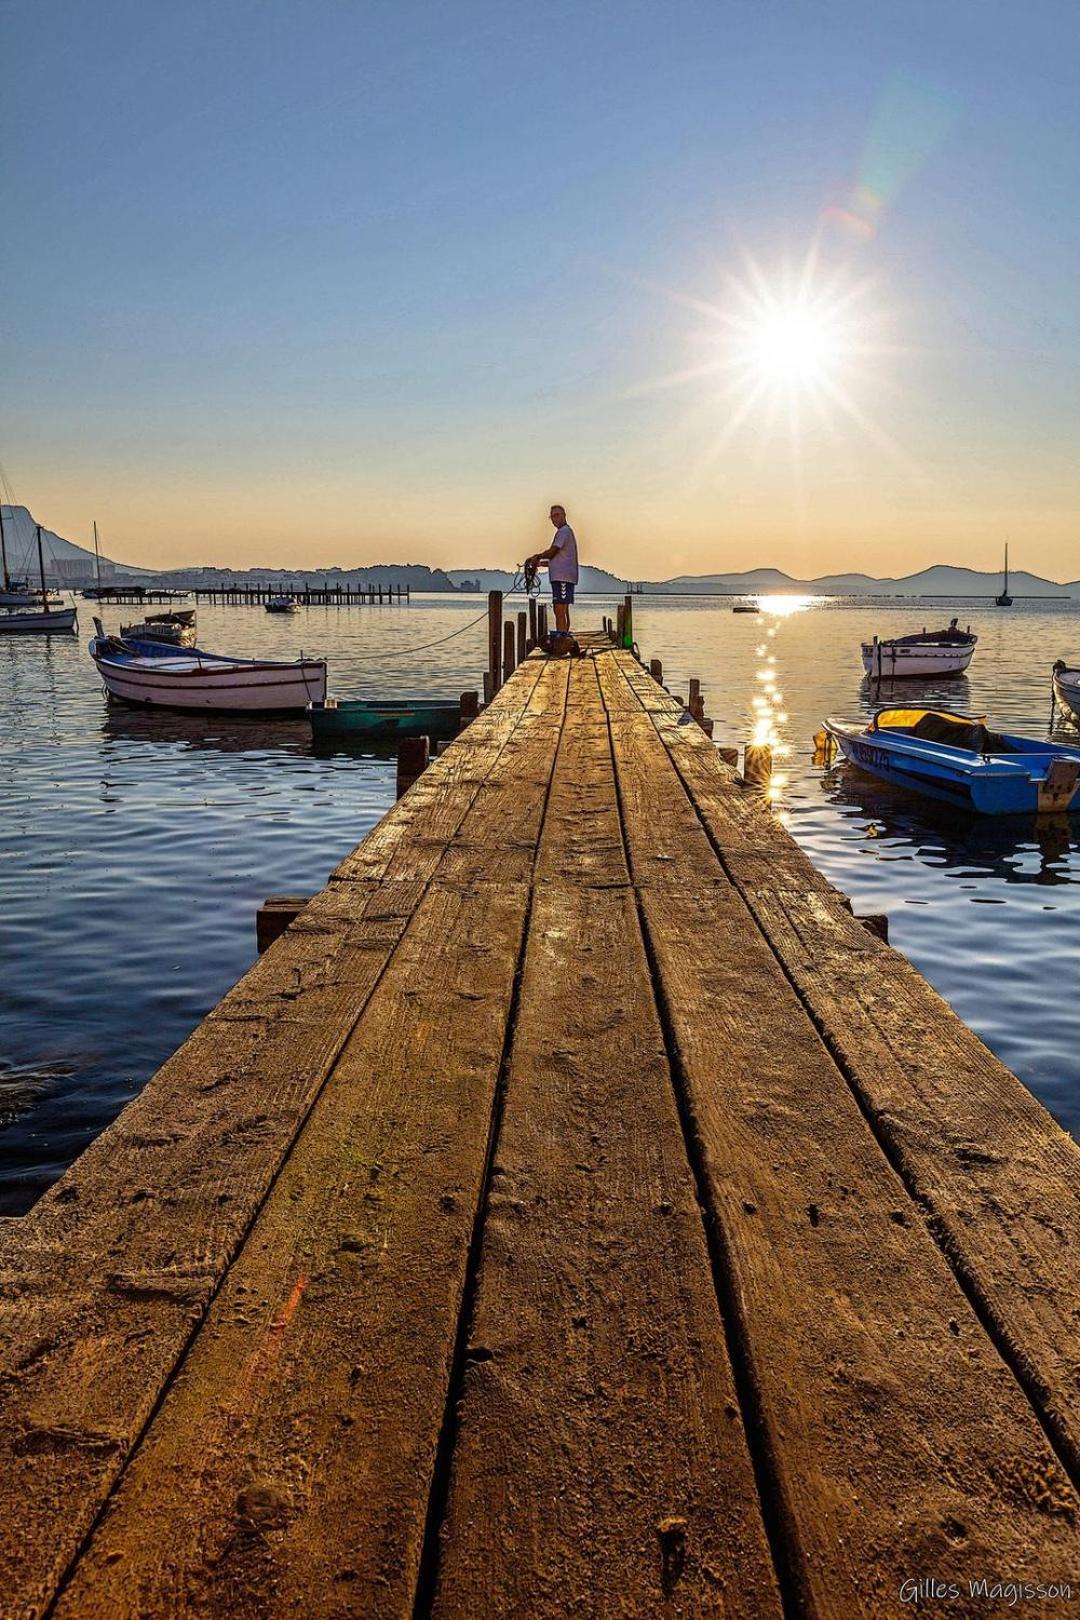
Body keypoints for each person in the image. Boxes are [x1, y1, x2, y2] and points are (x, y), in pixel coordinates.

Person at [527, 504, 579, 635]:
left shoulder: (564, 531)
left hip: (563, 578)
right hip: (563, 576)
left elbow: (552, 552)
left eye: (557, 515)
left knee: (559, 609)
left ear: (564, 515)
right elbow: (557, 559)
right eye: (552, 517)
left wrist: (537, 556)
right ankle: (564, 636)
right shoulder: (565, 532)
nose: (555, 519)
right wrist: (539, 563)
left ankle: (561, 640)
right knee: (562, 610)